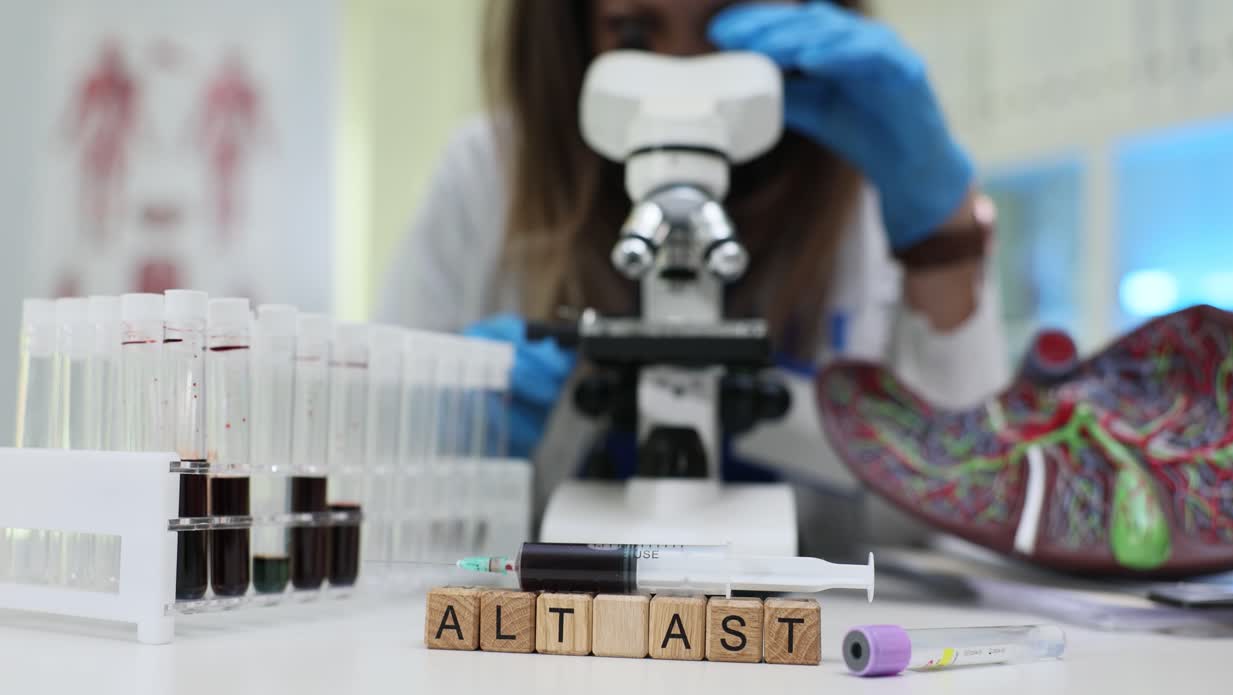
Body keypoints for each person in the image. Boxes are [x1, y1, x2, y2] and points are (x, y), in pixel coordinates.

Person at [381, 0, 1008, 464]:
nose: (683, 75)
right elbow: (368, 451)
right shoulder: (487, 173)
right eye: (633, 31)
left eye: (726, 29)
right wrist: (440, 426)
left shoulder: (875, 177)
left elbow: (963, 489)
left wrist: (940, 241)